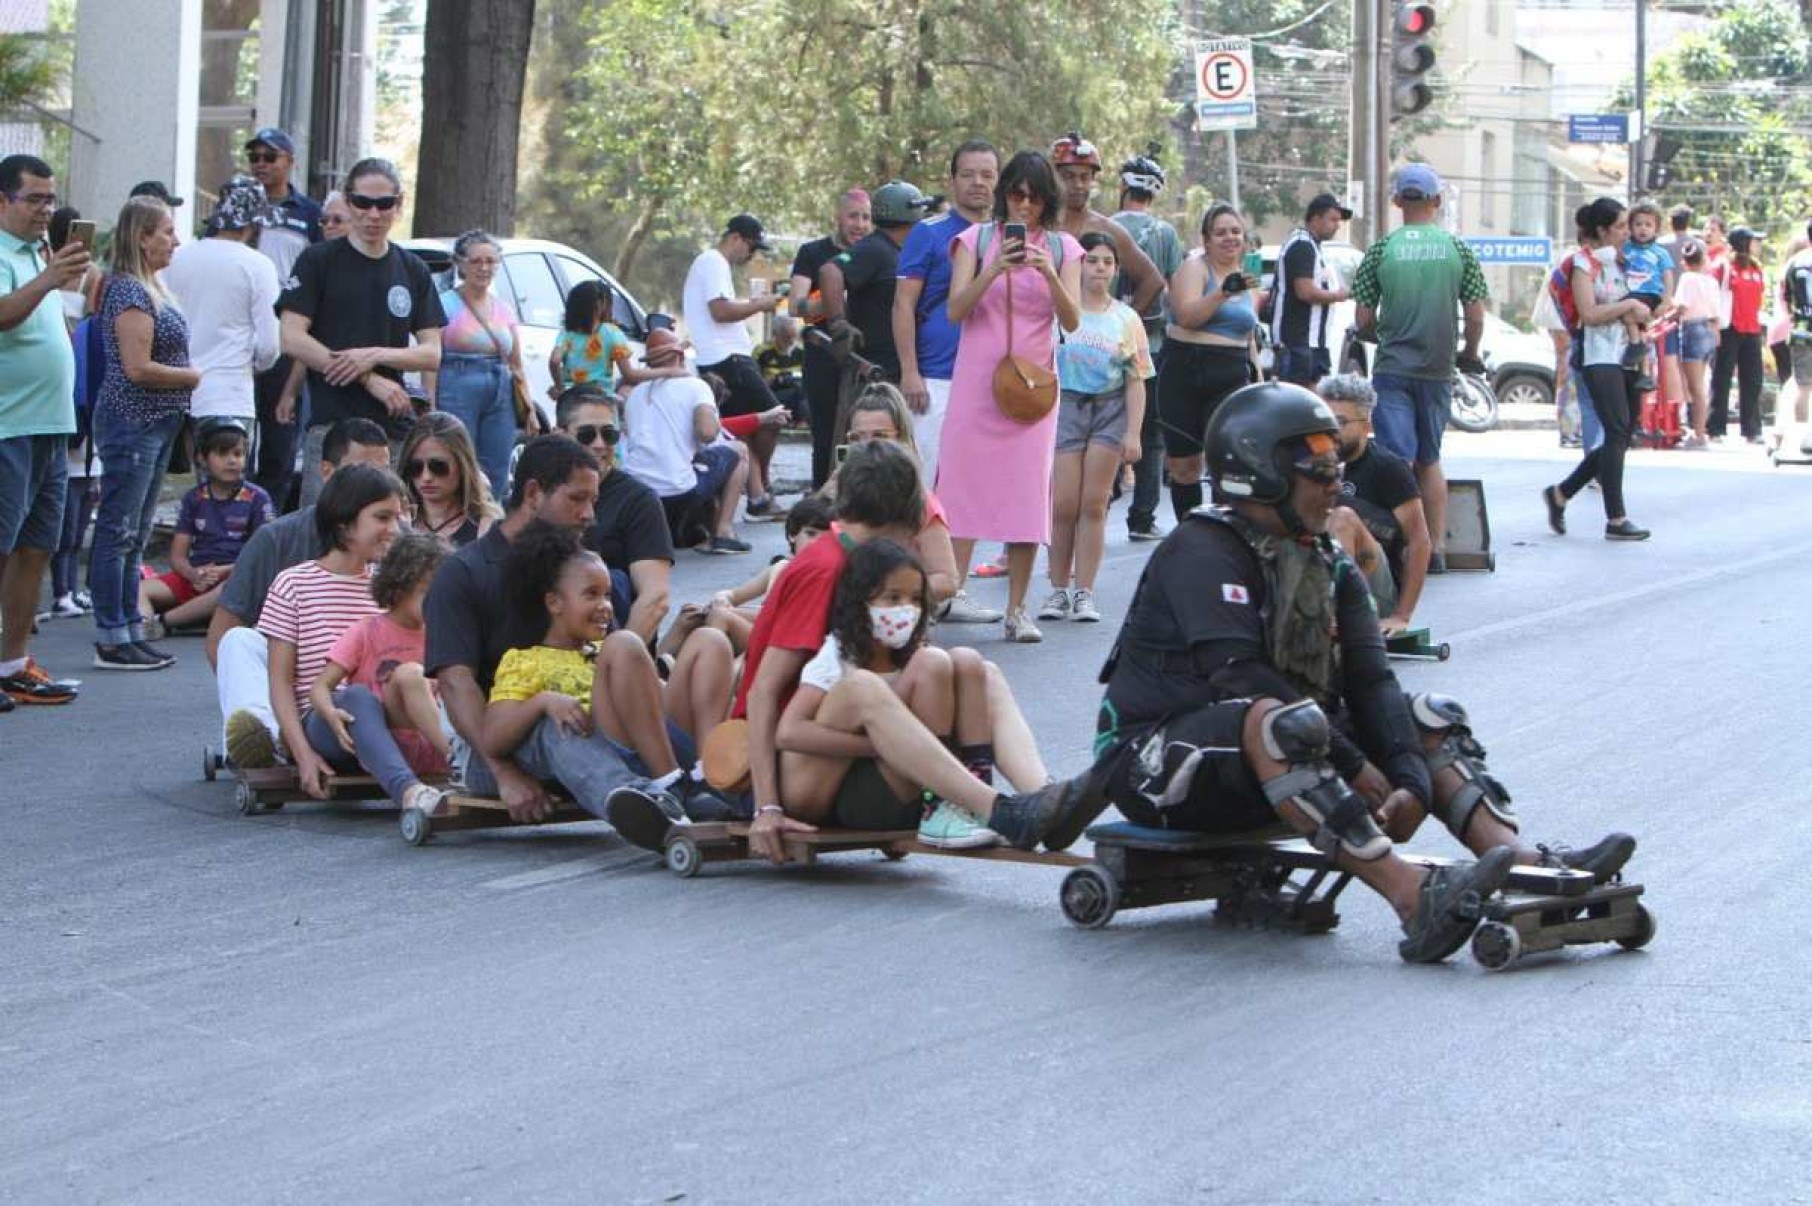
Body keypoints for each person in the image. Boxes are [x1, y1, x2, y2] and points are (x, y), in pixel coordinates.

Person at [1084, 381, 1637, 963]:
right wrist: (1356, 766)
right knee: (1277, 719)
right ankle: (1412, 899)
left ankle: (1523, 863)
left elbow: (1373, 682)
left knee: (1430, 716)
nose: (1335, 484)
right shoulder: (1201, 549)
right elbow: (1237, 675)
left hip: (1276, 755)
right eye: (1318, 469)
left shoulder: (1327, 558)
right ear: (1259, 470)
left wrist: (1407, 781)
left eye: (1335, 464)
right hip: (1152, 764)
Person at [730, 440, 1100, 860]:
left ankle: (1042, 800)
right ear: (910, 518)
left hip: (851, 754)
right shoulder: (824, 568)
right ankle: (997, 810)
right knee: (863, 689)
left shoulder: (872, 562)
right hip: (793, 771)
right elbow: (762, 692)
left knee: (973, 666)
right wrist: (768, 807)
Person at [423, 436, 733, 830]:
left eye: (594, 501)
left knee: (706, 645)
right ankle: (651, 806)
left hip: (589, 718)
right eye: (577, 499)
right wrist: (503, 773)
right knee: (559, 723)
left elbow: (612, 656)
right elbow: (455, 685)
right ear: (534, 493)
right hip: (501, 739)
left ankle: (716, 784)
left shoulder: (579, 566)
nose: (589, 514)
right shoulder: (464, 572)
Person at [938, 149, 1083, 643]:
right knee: (959, 488)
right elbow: (956, 310)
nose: (1025, 206)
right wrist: (993, 269)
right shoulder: (974, 240)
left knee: (1026, 496)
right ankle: (949, 592)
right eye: (1017, 194)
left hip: (1033, 389)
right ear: (1005, 195)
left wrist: (1045, 272)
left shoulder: (1064, 249)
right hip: (977, 383)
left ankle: (1017, 609)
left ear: (1048, 201)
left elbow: (1073, 319)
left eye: (1035, 197)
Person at [776, 538, 1005, 848]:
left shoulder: (911, 655)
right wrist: (882, 746)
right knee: (924, 664)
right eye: (892, 598)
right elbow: (789, 733)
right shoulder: (839, 654)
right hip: (846, 792)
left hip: (900, 784)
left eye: (914, 600)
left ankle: (972, 795)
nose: (905, 610)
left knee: (966, 659)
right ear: (861, 601)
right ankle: (937, 803)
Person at [210, 417, 393, 768]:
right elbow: (218, 637)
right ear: (327, 472)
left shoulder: (392, 539)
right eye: (361, 472)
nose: (373, 485)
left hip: (364, 682)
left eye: (383, 474)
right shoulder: (277, 539)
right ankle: (264, 738)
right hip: (294, 672)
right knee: (237, 642)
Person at [260, 463, 435, 809]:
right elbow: (280, 683)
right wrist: (303, 755)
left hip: (393, 712)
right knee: (356, 696)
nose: (395, 530)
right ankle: (408, 791)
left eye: (399, 518)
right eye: (382, 518)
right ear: (344, 525)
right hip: (327, 720)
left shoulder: (390, 584)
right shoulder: (293, 584)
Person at [278, 157, 444, 507]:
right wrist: (368, 378)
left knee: (383, 537)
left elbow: (431, 352)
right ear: (348, 202)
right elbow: (292, 337)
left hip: (390, 429)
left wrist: (375, 355)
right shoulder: (318, 261)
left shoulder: (412, 269)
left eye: (384, 204)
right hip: (331, 426)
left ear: (398, 205)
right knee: (321, 535)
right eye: (362, 203)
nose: (373, 214)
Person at [1350, 165, 1488, 573]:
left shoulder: (1381, 250)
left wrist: (1381, 334)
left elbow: (1361, 318)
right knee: (1429, 458)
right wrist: (1469, 351)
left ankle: (1402, 547)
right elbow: (1476, 315)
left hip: (1394, 367)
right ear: (1437, 202)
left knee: (1397, 460)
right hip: (1438, 370)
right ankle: (1437, 550)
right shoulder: (1457, 249)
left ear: (1397, 202)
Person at [89, 196, 200, 671]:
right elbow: (136, 367)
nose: (175, 241)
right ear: (141, 236)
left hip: (157, 423)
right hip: (132, 421)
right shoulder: (129, 291)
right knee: (118, 529)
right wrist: (190, 377)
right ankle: (112, 633)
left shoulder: (150, 288)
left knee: (133, 534)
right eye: (167, 232)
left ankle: (130, 626)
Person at [0, 153, 90, 706]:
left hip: (50, 425)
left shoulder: (38, 251)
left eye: (49, 200)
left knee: (37, 547)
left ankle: (12, 661)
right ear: (2, 199)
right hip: (8, 423)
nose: (45, 210)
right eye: (33, 199)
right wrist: (50, 278)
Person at [1039, 231, 1152, 625]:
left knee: (1093, 503)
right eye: (1091, 259)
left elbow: (1136, 378)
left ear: (1116, 270)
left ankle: (1084, 591)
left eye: (1107, 261)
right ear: (1077, 265)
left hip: (1109, 410)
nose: (1099, 267)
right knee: (1063, 503)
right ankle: (1057, 589)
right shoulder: (1057, 312)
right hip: (1065, 406)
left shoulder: (1127, 318)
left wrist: (1133, 433)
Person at [306, 530, 451, 812]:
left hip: (428, 742)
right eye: (426, 592)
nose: (437, 603)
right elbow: (320, 686)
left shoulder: (443, 633)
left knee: (415, 676)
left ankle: (458, 758)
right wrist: (330, 713)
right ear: (399, 588)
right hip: (378, 737)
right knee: (368, 690)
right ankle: (417, 785)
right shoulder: (367, 630)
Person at [1541, 197, 1654, 542]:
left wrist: (1640, 309)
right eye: (1620, 226)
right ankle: (1616, 518)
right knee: (1617, 429)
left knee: (1623, 431)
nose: (1626, 232)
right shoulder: (1582, 263)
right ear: (1602, 230)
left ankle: (1562, 493)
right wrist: (1628, 306)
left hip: (1625, 353)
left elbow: (1627, 302)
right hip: (1598, 355)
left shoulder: (1617, 261)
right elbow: (1589, 314)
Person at [163, 176, 282, 457]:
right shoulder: (258, 265)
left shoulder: (177, 258)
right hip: (229, 395)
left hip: (174, 392)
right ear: (252, 224)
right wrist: (255, 365)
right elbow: (270, 346)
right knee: (228, 494)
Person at [1158, 202, 1261, 524]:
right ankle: (1190, 535)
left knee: (1226, 464)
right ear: (1206, 240)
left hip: (1230, 376)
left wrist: (1256, 375)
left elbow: (1249, 334)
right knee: (1185, 468)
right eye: (1220, 233)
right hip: (1184, 373)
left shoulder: (1247, 279)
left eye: (1235, 232)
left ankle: (1222, 536)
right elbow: (1186, 317)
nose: (1229, 238)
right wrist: (1221, 294)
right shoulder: (1196, 267)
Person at [681, 213, 786, 515]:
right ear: (737, 239)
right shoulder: (713, 261)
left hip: (725, 357)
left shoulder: (714, 265)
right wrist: (760, 305)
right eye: (751, 248)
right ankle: (762, 483)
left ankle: (757, 495)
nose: (750, 256)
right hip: (727, 359)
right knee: (772, 417)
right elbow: (721, 311)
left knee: (742, 430)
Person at [554, 386, 676, 643]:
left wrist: (615, 660)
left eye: (609, 434)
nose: (600, 444)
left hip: (615, 645)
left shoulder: (639, 500)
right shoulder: (543, 493)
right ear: (560, 435)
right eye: (587, 435)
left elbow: (656, 598)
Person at [618, 327, 752, 556]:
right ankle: (723, 532)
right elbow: (707, 434)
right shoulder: (696, 386)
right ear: (680, 356)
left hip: (636, 489)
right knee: (739, 450)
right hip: (677, 489)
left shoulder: (636, 394)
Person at [243, 128, 323, 509]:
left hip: (284, 332)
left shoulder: (310, 214)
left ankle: (268, 517)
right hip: (239, 332)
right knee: (234, 434)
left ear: (290, 162)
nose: (260, 164)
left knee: (279, 431)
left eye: (269, 157)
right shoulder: (238, 207)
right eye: (254, 157)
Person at [1317, 374, 1431, 634]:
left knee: (1343, 517)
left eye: (1340, 422)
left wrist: (1402, 616)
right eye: (1324, 421)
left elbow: (1419, 541)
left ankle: (1333, 618)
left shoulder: (1387, 468)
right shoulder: (1310, 461)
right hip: (1315, 577)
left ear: (1366, 425)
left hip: (1374, 587)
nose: (1331, 432)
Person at [1110, 150, 1185, 543]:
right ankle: (1142, 517)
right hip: (1150, 346)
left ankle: (1100, 500)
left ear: (1123, 188)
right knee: (1151, 433)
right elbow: (1174, 290)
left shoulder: (1100, 226)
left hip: (1098, 343)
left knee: (1101, 423)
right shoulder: (1165, 234)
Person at [138, 422, 274, 633]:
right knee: (141, 589)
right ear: (202, 458)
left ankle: (163, 623)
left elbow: (264, 554)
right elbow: (177, 556)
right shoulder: (194, 498)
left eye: (238, 454)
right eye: (222, 454)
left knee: (228, 590)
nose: (232, 461)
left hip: (237, 574)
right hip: (199, 575)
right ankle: (144, 627)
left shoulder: (258, 498)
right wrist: (193, 574)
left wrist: (223, 571)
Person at [819, 180, 932, 428]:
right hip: (875, 375)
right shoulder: (875, 249)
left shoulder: (897, 250)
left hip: (892, 371)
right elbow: (830, 270)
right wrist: (838, 322)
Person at [423, 230, 526, 497]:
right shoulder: (444, 304)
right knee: (459, 460)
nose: (484, 268)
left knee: (498, 468)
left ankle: (491, 527)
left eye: (491, 261)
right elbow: (431, 358)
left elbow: (516, 361)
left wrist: (529, 407)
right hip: (456, 384)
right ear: (460, 263)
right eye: (476, 261)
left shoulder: (504, 308)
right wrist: (430, 405)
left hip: (500, 389)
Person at [791, 189, 872, 488]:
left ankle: (854, 498)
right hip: (823, 355)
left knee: (862, 431)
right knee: (825, 435)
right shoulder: (812, 253)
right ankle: (822, 501)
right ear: (838, 218)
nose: (860, 224)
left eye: (866, 217)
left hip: (865, 356)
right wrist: (834, 298)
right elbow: (795, 305)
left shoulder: (876, 251)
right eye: (853, 216)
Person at [549, 278, 680, 401]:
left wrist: (560, 388)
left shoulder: (566, 333)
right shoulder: (612, 333)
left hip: (572, 398)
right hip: (601, 398)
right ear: (601, 305)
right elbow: (630, 375)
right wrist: (670, 371)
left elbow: (554, 361)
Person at [1271, 192, 1353, 387]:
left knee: (1312, 409)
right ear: (1316, 219)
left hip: (1311, 345)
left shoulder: (1311, 245)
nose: (1337, 225)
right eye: (1332, 219)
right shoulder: (1302, 245)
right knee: (1299, 409)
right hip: (1299, 345)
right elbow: (1304, 291)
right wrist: (1338, 295)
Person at [398, 411, 499, 548]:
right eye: (416, 467)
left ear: (463, 466)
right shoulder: (396, 523)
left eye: (438, 467)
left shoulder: (486, 526)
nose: (426, 477)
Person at [1710, 227, 1766, 443]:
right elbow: (1713, 294)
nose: (1758, 244)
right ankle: (1715, 428)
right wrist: (1713, 325)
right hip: (1729, 328)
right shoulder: (1723, 266)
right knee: (1722, 378)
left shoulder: (1756, 267)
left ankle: (1752, 429)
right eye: (1754, 240)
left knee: (1753, 380)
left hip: (1752, 329)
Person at [1674, 239, 1720, 447]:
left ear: (1684, 261)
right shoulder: (1711, 282)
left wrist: (1667, 317)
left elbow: (1681, 306)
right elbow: (1717, 311)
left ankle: (1699, 433)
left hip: (1691, 328)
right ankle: (1698, 430)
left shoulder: (1686, 278)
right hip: (1709, 328)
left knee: (1694, 387)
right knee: (1702, 383)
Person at [752, 312, 805, 419]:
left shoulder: (801, 351)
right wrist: (777, 379)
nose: (791, 342)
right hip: (772, 395)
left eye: (794, 338)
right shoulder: (762, 351)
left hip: (797, 393)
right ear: (775, 334)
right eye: (787, 337)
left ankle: (802, 422)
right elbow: (754, 382)